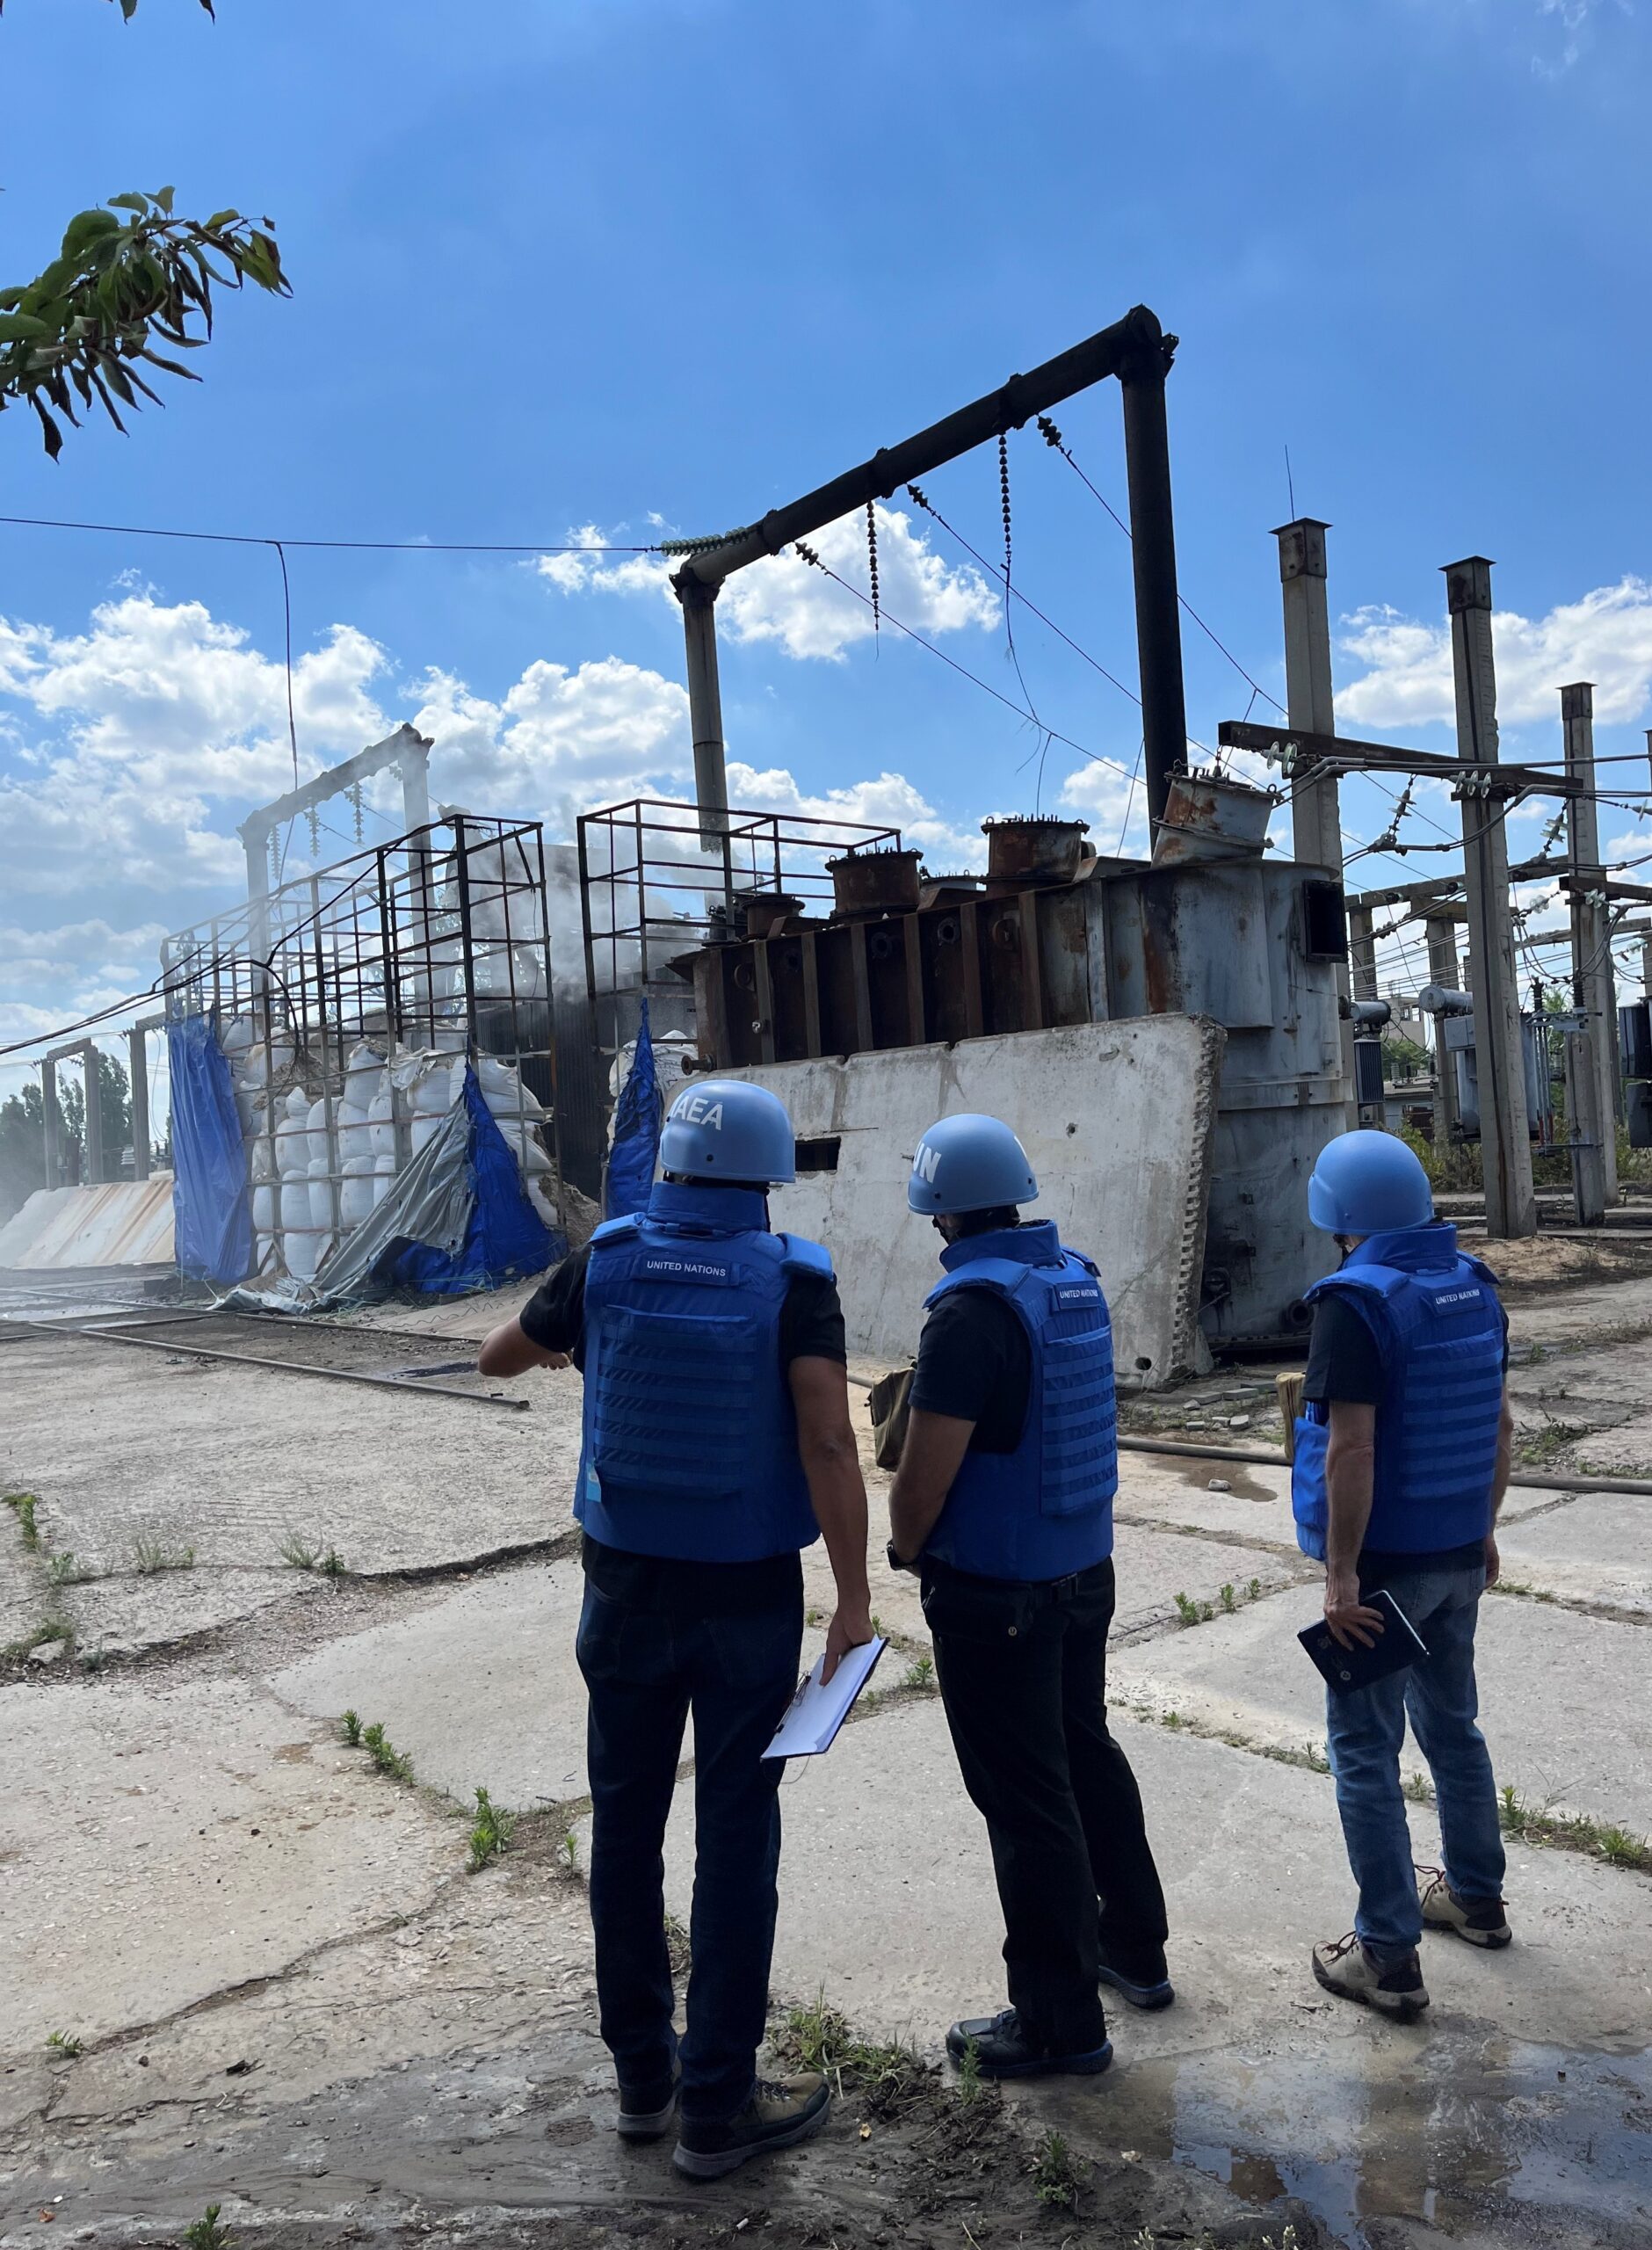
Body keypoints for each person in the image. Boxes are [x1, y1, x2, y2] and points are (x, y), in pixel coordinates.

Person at [479, 1079, 873, 2179]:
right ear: (764, 1177)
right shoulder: (796, 1283)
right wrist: (850, 1598)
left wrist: (579, 1343)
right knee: (736, 1838)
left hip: (623, 1596)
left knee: (624, 1830)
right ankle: (716, 2105)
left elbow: (494, 1356)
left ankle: (642, 2085)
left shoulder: (603, 1261)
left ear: (668, 1166)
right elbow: (827, 1442)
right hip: (745, 1599)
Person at [885, 1112, 1170, 2080]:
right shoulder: (1070, 1281)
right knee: (1083, 1754)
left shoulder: (970, 1311)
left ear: (940, 1211)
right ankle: (1133, 1947)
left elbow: (924, 1474)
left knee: (1025, 1799)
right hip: (1082, 1573)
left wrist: (904, 1546)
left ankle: (1058, 2022)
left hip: (996, 1594)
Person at [1291, 1129, 1514, 2022]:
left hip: (1383, 1574)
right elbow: (1498, 1426)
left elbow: (1351, 1448)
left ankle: (1386, 1955)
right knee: (1453, 1727)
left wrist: (1340, 1576)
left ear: (1337, 1215)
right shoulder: (1473, 1287)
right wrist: (1484, 1530)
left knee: (1363, 1752)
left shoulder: (1356, 1302)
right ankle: (1475, 1899)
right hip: (1458, 1554)